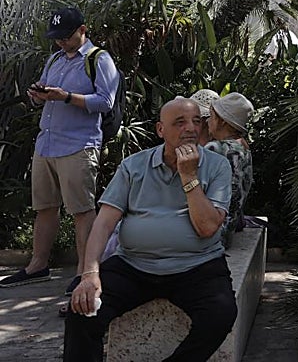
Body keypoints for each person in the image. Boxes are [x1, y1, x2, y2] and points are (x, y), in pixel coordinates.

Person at [63, 97, 236, 362]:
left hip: (197, 266)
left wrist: (189, 176)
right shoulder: (134, 166)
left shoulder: (218, 165)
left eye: (196, 121)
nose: (190, 128)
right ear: (160, 130)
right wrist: (90, 274)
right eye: (180, 122)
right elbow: (104, 222)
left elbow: (207, 228)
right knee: (82, 311)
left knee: (220, 314)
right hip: (134, 265)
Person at [0, 7, 118, 294]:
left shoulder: (98, 60)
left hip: (77, 145)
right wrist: (39, 96)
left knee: (81, 210)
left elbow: (105, 101)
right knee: (44, 208)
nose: (61, 42)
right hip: (47, 143)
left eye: (66, 36)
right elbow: (47, 96)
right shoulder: (54, 58)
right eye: (56, 38)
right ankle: (37, 265)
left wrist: (65, 97)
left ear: (82, 30)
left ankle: (84, 272)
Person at [205, 92, 254, 241]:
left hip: (213, 232)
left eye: (212, 117)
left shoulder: (215, 148)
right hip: (228, 229)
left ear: (223, 122)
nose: (208, 121)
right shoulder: (243, 147)